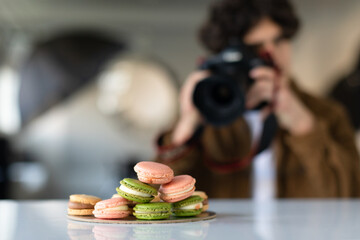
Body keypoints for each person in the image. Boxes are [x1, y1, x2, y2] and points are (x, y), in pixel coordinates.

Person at [155, 0, 360, 198]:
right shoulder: (206, 115)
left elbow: (350, 199)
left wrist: (302, 124)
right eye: (255, 47)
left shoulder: (328, 114)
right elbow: (156, 196)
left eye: (279, 40)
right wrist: (187, 126)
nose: (272, 54)